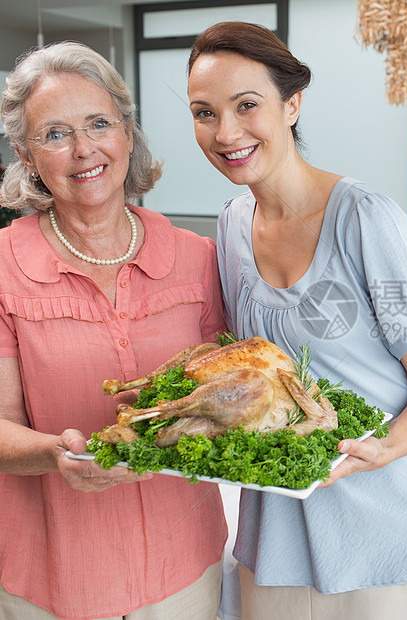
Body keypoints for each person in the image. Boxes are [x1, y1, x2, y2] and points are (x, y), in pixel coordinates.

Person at [187, 21, 407, 620]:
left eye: (247, 106)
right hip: (279, 533)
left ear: (292, 104)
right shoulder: (232, 225)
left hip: (389, 531)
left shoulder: (370, 221)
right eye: (204, 112)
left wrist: (382, 449)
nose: (225, 132)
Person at [0, 42, 227, 619]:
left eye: (99, 124)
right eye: (54, 134)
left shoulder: (197, 258)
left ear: (128, 133)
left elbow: (226, 394)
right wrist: (57, 455)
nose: (83, 150)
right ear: (27, 155)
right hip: (53, 577)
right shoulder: (2, 268)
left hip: (184, 568)